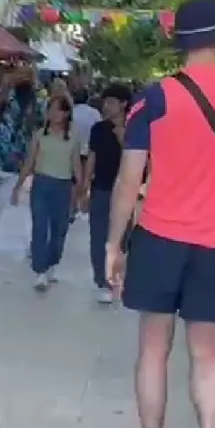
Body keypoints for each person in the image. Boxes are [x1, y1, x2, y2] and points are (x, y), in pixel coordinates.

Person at [107, 0, 215, 428]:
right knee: (208, 350)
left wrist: (113, 244)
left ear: (181, 43)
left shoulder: (155, 97)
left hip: (159, 238)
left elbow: (129, 179)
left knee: (154, 348)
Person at [12, 95, 84, 290]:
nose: (53, 114)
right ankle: (40, 269)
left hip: (63, 186)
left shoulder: (73, 136)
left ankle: (52, 261)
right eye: (50, 109)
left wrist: (81, 190)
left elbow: (76, 164)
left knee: (59, 229)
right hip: (41, 184)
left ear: (66, 113)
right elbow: (29, 162)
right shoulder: (39, 135)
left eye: (58, 110)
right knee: (40, 227)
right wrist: (18, 186)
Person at [80, 83, 132, 304]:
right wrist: (84, 188)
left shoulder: (135, 129)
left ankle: (117, 278)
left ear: (123, 104)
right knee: (98, 236)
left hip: (126, 192)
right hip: (101, 189)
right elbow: (91, 158)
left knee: (122, 239)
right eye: (105, 102)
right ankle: (103, 281)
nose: (106, 107)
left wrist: (123, 138)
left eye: (111, 102)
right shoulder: (98, 129)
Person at [0, 70, 44, 248]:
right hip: (11, 155)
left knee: (0, 201)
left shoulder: (33, 104)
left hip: (10, 155)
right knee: (7, 201)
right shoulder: (28, 103)